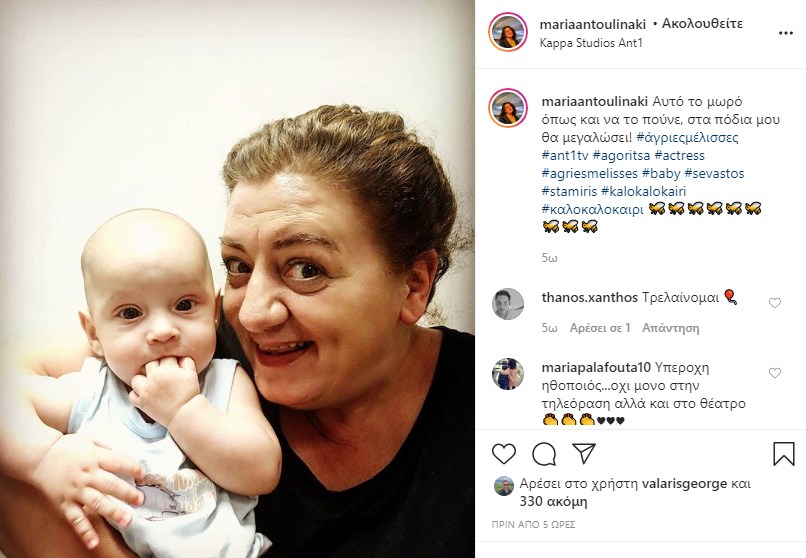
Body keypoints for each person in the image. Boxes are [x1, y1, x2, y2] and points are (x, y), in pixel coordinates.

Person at [0, 105, 473, 558]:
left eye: (306, 269)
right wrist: (43, 459)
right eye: (238, 265)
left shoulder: (495, 398)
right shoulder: (189, 345)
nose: (252, 315)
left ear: (414, 284)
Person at [0, 209, 280, 558]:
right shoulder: (93, 392)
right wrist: (45, 457)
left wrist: (183, 411)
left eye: (184, 305)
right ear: (94, 333)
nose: (163, 330)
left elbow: (262, 472)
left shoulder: (225, 382)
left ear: (214, 311)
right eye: (130, 313)